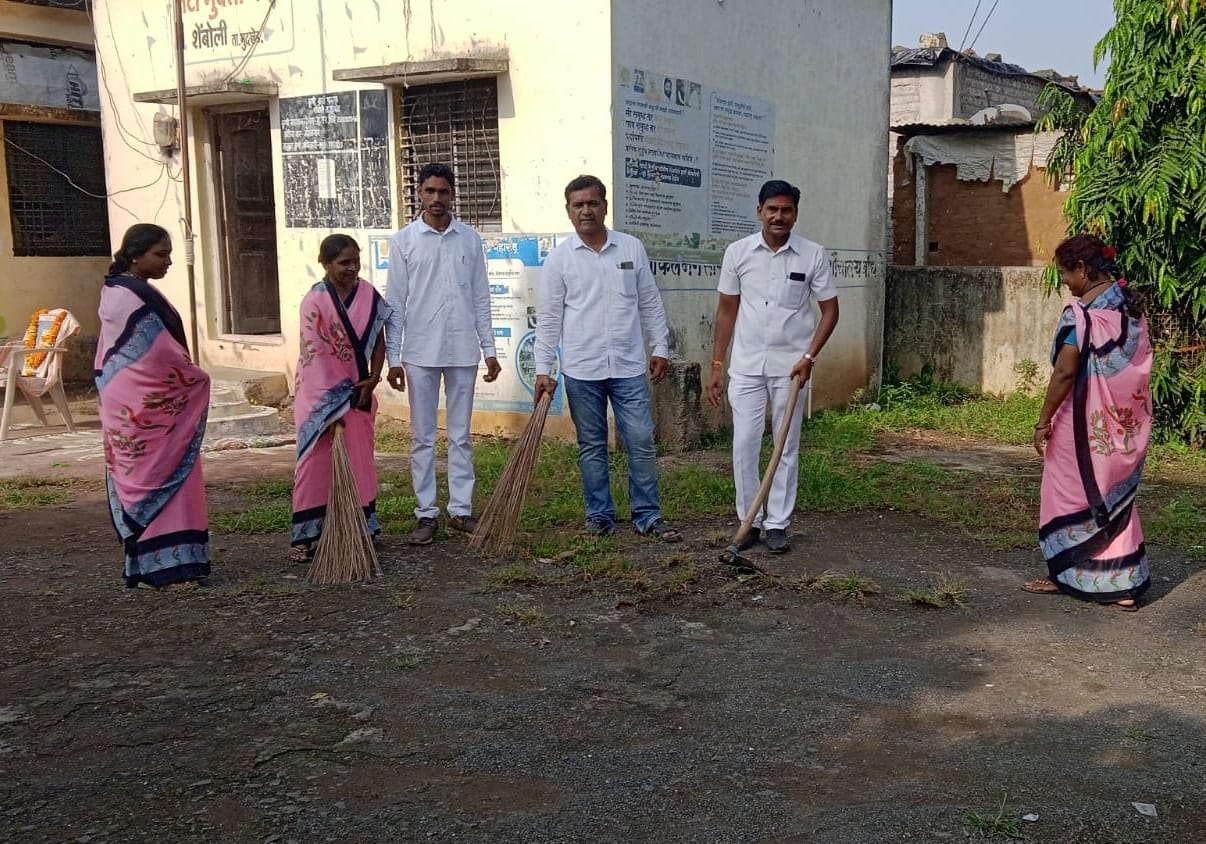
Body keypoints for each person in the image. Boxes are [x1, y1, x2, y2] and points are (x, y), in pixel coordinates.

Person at [534, 174, 681, 542]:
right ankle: (599, 516)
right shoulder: (559, 260)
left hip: (628, 366)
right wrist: (543, 369)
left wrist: (660, 347)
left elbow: (649, 301)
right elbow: (549, 319)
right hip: (582, 369)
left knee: (641, 440)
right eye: (578, 205)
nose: (586, 210)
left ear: (604, 206)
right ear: (568, 211)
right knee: (592, 445)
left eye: (592, 203)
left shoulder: (630, 248)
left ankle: (647, 515)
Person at [705, 179, 839, 554]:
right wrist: (716, 365)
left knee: (785, 446)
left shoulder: (812, 255)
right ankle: (749, 521)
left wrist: (809, 357)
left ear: (795, 214)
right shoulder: (738, 253)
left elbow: (830, 311)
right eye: (772, 210)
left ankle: (778, 523)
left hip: (791, 368)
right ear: (759, 211)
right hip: (746, 366)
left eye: (786, 210)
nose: (779, 217)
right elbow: (727, 311)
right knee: (744, 444)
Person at [1023, 234, 1153, 611]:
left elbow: (1065, 372)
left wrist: (1043, 421)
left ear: (1082, 269)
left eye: (1065, 273)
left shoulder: (1081, 317)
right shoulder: (1132, 311)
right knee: (1115, 499)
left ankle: (1067, 572)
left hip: (1081, 427)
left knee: (1068, 494)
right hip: (1125, 430)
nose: (1065, 282)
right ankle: (1125, 584)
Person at [385, 163, 501, 545]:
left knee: (460, 435)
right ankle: (426, 513)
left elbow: (481, 297)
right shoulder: (404, 242)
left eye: (444, 192)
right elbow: (395, 303)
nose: (437, 198)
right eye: (430, 191)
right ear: (419, 193)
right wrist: (393, 358)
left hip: (463, 350)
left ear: (453, 195)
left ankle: (460, 511)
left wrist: (489, 349)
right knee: (422, 437)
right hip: (420, 351)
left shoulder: (469, 239)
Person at [95, 224, 211, 590]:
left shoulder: (126, 290)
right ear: (135, 255)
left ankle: (168, 565)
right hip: (143, 404)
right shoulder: (127, 297)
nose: (168, 262)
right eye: (160, 254)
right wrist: (192, 377)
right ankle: (164, 570)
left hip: (140, 401)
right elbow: (156, 355)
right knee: (156, 475)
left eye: (169, 254)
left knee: (170, 475)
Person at [290, 234, 392, 562]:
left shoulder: (368, 295)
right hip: (321, 397)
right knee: (314, 463)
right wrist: (339, 399)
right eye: (343, 262)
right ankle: (306, 536)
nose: (351, 268)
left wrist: (372, 379)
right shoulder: (315, 302)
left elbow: (379, 338)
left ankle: (359, 526)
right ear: (326, 263)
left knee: (359, 458)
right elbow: (316, 354)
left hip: (360, 393)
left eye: (355, 262)